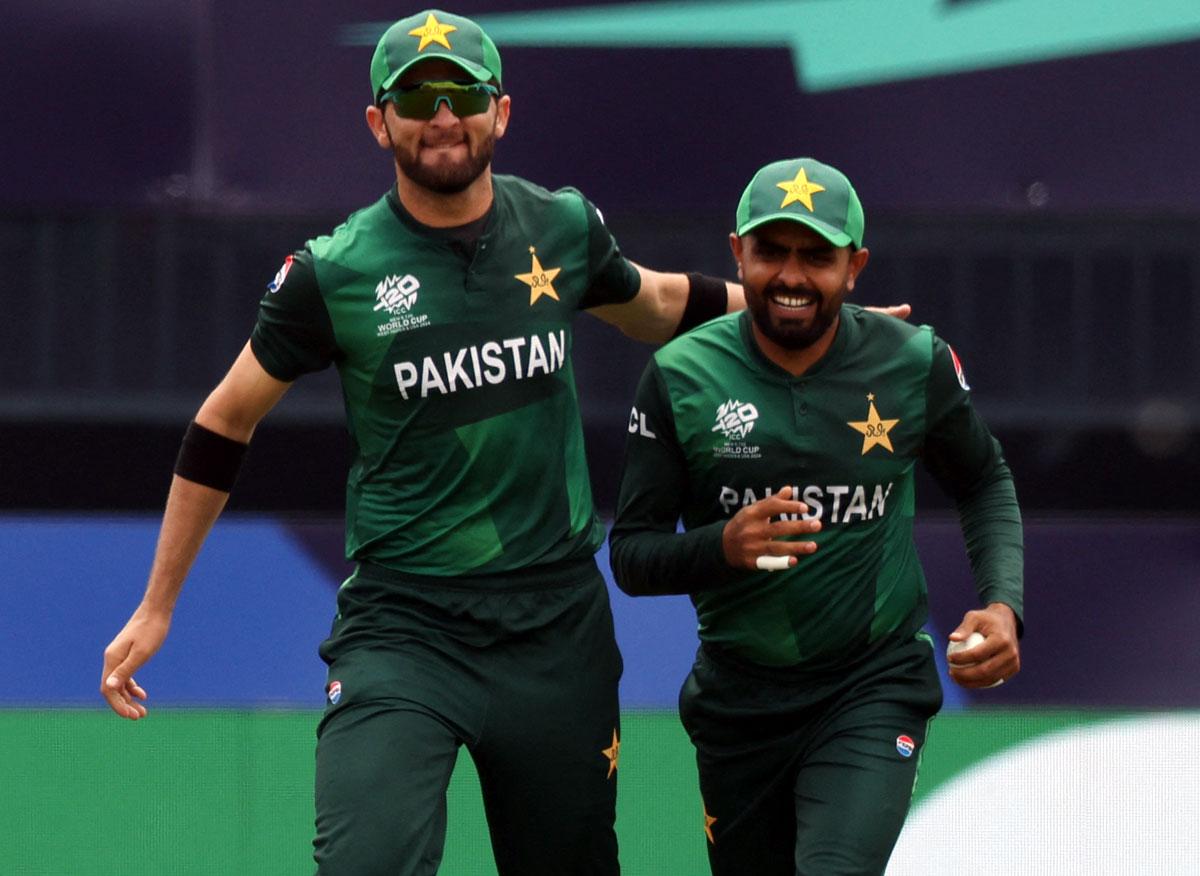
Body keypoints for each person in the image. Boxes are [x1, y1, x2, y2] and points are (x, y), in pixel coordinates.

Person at [608, 157, 1023, 875]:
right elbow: (633, 556)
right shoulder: (680, 377)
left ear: (855, 266)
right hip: (739, 703)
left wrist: (1004, 605)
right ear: (737, 252)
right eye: (772, 252)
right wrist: (723, 546)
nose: (793, 277)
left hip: (870, 685)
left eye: (818, 257)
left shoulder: (911, 361)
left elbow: (984, 477)